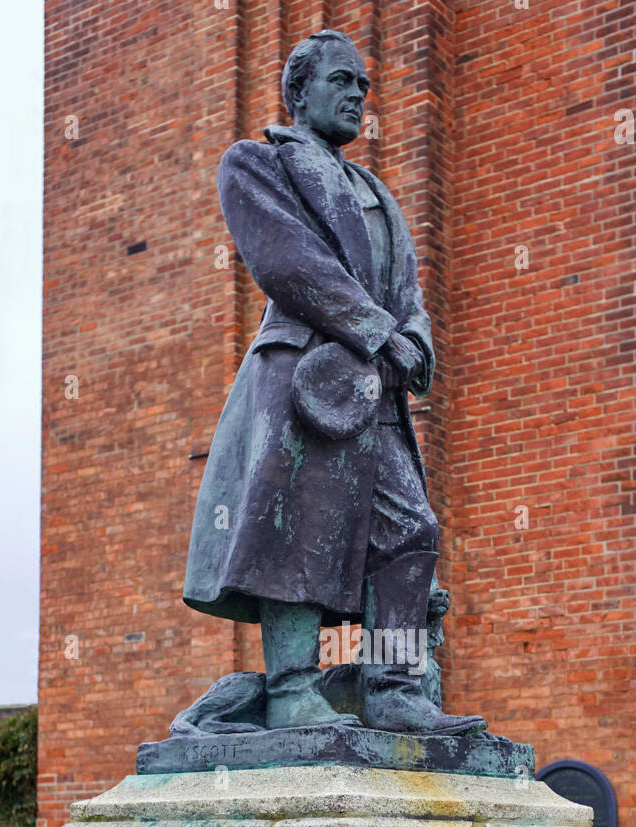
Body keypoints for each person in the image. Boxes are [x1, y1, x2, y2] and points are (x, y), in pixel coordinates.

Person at [183, 29, 484, 735]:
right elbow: (289, 265)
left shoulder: (377, 190)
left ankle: (393, 688)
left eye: (363, 86)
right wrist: (379, 331)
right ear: (299, 92)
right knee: (298, 534)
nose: (356, 95)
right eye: (342, 81)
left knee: (411, 530)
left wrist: (414, 338)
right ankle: (291, 688)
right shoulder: (258, 163)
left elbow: (410, 286)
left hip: (372, 391)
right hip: (303, 379)